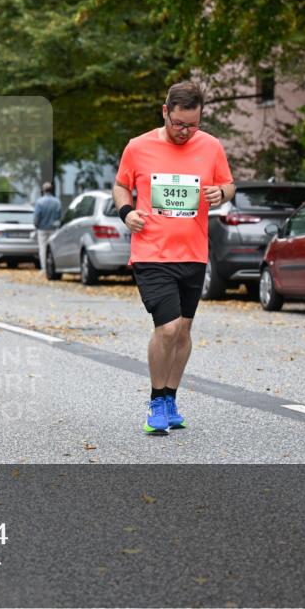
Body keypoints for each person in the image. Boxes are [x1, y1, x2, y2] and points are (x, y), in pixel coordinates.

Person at [112, 81, 234, 435]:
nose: (185, 132)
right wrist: (126, 211)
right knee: (166, 327)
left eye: (192, 125)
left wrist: (220, 193)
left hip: (194, 252)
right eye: (178, 124)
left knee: (183, 330)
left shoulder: (211, 147)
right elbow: (121, 184)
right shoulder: (138, 147)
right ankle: (155, 399)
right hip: (151, 251)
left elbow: (228, 185)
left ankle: (170, 398)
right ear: (165, 112)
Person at [33, 181, 61, 270]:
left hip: (42, 229)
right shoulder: (57, 202)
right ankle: (53, 267)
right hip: (54, 228)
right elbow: (59, 216)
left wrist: (36, 226)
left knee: (43, 249)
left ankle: (44, 268)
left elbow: (37, 216)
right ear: (52, 190)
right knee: (53, 248)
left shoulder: (39, 202)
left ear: (43, 190)